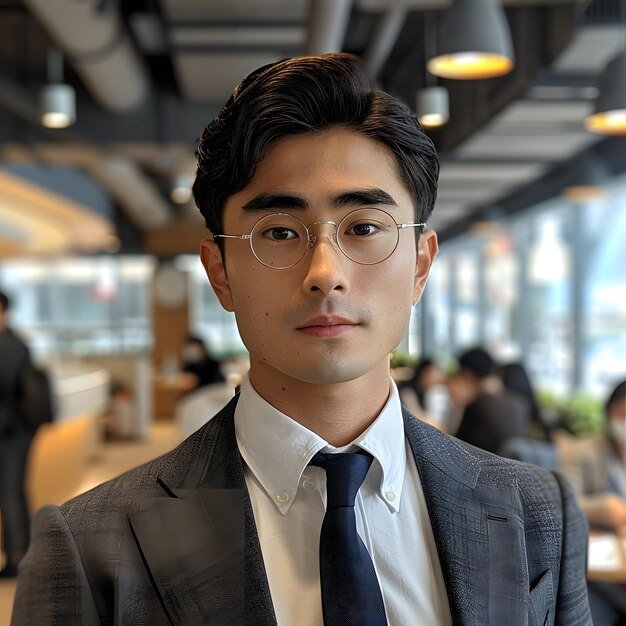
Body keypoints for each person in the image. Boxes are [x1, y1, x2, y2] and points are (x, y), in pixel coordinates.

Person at [12, 54, 590, 625]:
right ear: (220, 272)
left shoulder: (535, 512)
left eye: (364, 228)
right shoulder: (91, 547)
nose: (325, 272)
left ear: (420, 263)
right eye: (281, 232)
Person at [0, 290, 34, 578]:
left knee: (9, 492)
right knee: (15, 490)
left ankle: (15, 558)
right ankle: (23, 551)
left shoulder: (7, 344)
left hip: (10, 430)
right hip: (18, 429)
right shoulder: (17, 342)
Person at [451, 346, 531, 456]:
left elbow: (454, 448)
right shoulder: (519, 404)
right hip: (514, 469)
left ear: (467, 374)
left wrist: (458, 405)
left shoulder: (477, 405)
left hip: (481, 469)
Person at [398, 357, 451, 430]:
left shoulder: (426, 393)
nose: (438, 378)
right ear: (425, 373)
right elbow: (418, 418)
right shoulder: (407, 391)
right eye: (435, 374)